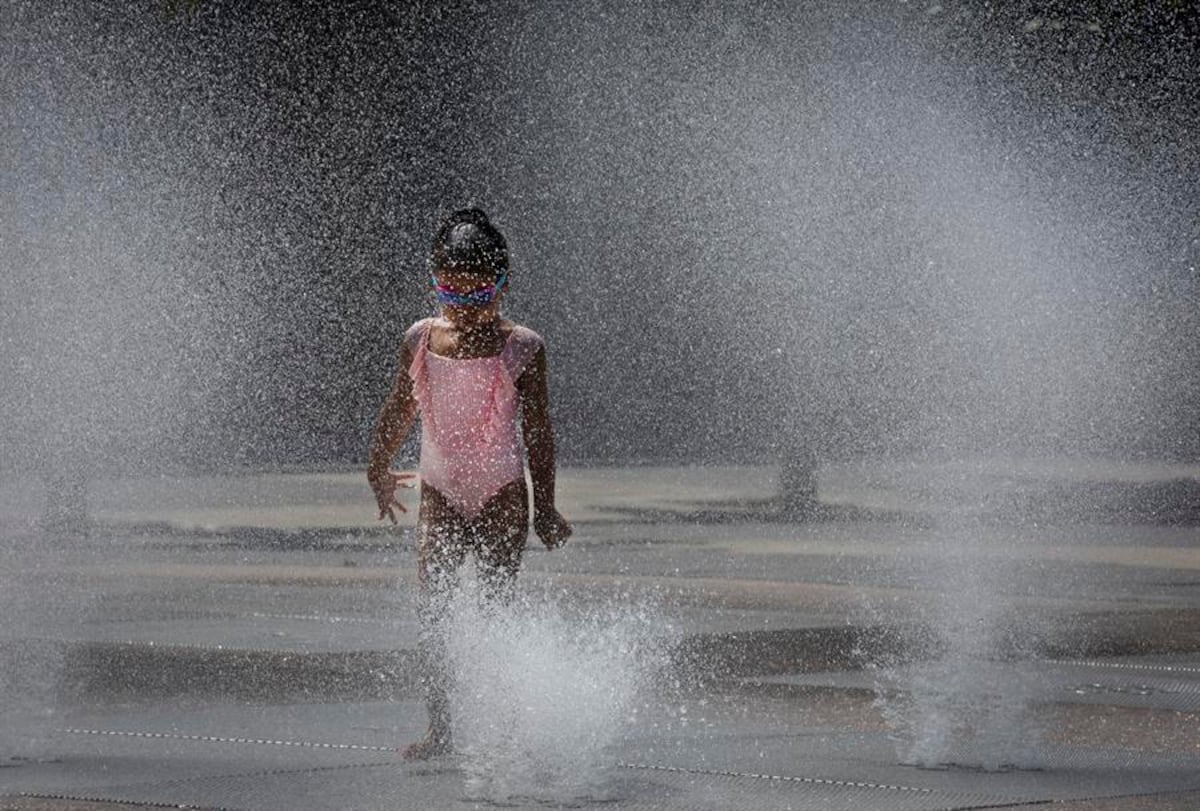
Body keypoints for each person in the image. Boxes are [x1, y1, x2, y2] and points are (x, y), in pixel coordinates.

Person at [367, 207, 572, 760]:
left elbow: (539, 433)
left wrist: (546, 507)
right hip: (440, 489)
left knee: (494, 610)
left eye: (478, 294)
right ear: (436, 285)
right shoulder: (420, 338)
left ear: (502, 287)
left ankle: (505, 728)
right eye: (452, 294)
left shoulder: (523, 346)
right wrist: (375, 467)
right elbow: (397, 409)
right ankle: (442, 730)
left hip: (503, 493)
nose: (466, 309)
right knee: (433, 609)